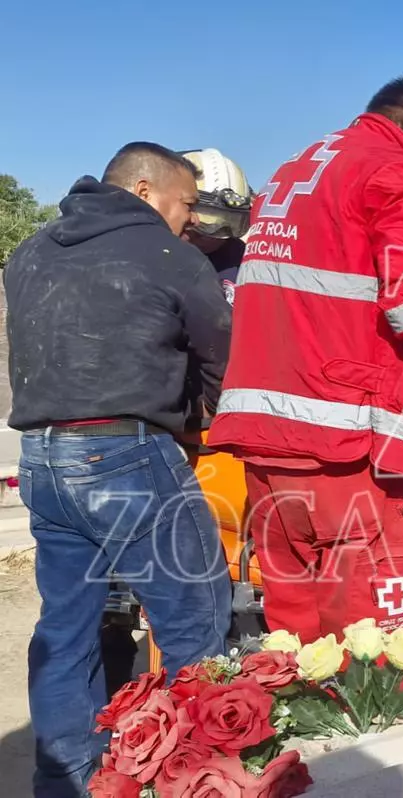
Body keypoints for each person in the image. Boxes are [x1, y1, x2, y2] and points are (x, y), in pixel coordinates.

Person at [208, 71, 403, 645]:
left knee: (298, 639)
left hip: (270, 440)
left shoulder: (301, 167)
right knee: (378, 652)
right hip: (353, 448)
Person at [6, 142, 233, 796]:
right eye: (186, 203)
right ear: (143, 189)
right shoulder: (169, 256)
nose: (191, 220)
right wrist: (195, 411)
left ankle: (64, 781)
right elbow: (222, 359)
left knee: (65, 630)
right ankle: (201, 778)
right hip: (128, 455)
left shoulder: (31, 251)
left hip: (43, 464)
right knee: (195, 622)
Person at [180, 148, 253, 305]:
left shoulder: (242, 263)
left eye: (230, 222)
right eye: (206, 219)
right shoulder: (152, 256)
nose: (212, 235)